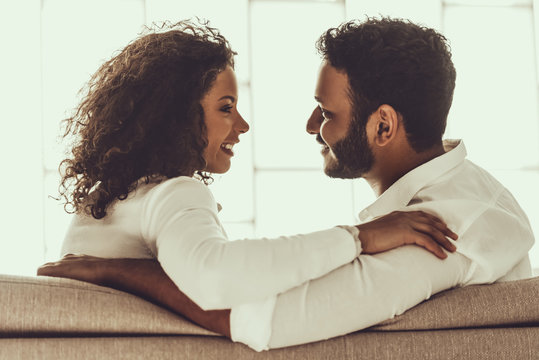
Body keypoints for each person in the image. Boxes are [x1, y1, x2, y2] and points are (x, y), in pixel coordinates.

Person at [36, 18, 461, 350]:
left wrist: (114, 270)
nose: (242, 125)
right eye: (226, 108)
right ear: (177, 117)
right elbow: (216, 277)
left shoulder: (104, 200)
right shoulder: (174, 193)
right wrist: (360, 238)